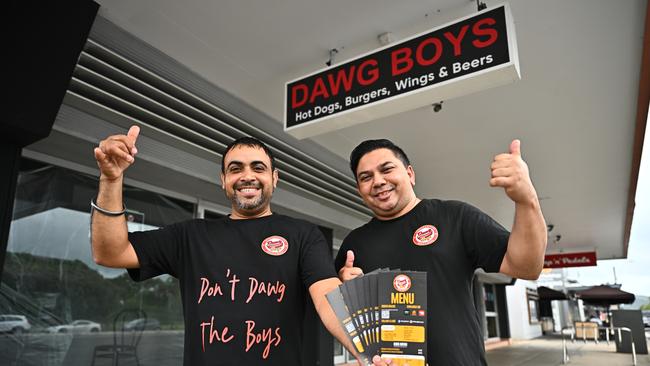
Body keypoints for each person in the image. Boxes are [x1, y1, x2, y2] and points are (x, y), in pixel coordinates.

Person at [91, 126, 359, 365]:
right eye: (235, 168)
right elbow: (109, 253)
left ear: (275, 178)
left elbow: (329, 298)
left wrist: (366, 351)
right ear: (223, 180)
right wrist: (111, 180)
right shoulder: (190, 236)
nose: (247, 176)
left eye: (258, 167)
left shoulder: (303, 235)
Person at [335, 139, 547, 366]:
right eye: (366, 178)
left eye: (386, 169)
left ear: (410, 174)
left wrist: (527, 200)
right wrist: (345, 291)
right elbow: (341, 317)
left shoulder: (454, 217)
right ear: (360, 190)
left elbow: (527, 267)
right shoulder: (354, 244)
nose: (378, 181)